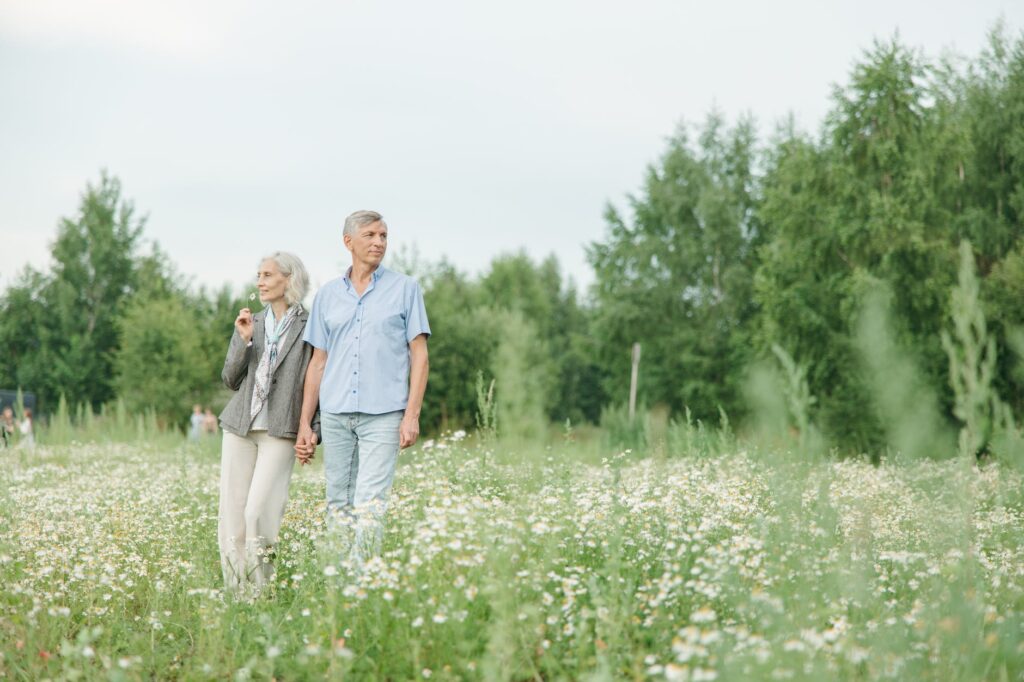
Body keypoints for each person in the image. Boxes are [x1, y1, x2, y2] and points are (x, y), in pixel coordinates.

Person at [294, 210, 430, 566]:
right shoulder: (326, 296)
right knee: (338, 498)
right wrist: (306, 423)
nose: (379, 242)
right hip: (336, 413)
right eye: (370, 235)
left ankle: (360, 582)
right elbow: (318, 362)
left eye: (383, 236)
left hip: (384, 414)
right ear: (348, 242)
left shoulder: (405, 289)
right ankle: (336, 580)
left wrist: (411, 415)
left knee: (370, 500)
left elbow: (420, 356)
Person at [217, 252, 320, 597]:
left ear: (288, 280)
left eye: (267, 275)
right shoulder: (253, 323)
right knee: (232, 514)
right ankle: (236, 593)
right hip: (240, 427)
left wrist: (313, 428)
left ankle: (261, 593)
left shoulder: (311, 325)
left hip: (282, 427)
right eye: (258, 275)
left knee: (259, 511)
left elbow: (316, 380)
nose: (259, 281)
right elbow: (231, 379)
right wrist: (242, 339)